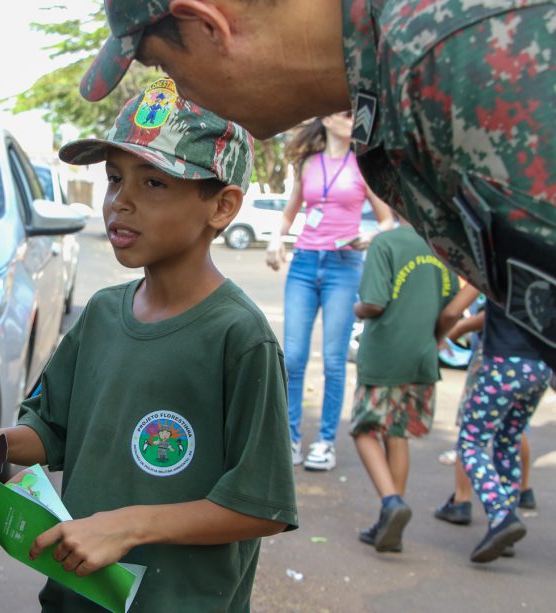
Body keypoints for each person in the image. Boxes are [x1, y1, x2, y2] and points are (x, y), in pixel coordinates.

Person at [0, 78, 298, 611]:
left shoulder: (239, 338)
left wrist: (127, 527)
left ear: (221, 207)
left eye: (153, 183)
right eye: (113, 179)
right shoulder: (103, 313)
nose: (119, 203)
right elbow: (54, 430)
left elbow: (261, 505)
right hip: (76, 596)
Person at [78, 0, 556, 367]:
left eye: (168, 70)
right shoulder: (395, 76)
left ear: (209, 26)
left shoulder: (452, 55)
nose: (178, 93)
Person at [267, 114, 393, 470]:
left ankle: (325, 442)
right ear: (326, 119)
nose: (352, 120)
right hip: (305, 263)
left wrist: (371, 236)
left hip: (344, 263)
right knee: (292, 357)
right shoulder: (309, 163)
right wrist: (277, 238)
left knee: (335, 361)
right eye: (345, 115)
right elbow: (290, 214)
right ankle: (289, 439)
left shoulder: (362, 164)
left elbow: (386, 220)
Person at [348, 219, 454, 552]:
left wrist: (356, 308)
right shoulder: (441, 246)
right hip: (422, 355)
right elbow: (449, 308)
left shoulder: (386, 243)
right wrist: (434, 339)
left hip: (385, 356)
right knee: (398, 432)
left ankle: (391, 502)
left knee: (364, 430)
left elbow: (374, 302)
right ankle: (389, 522)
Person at [434, 287, 550, 563]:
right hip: (541, 366)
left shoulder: (499, 260)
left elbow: (453, 310)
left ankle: (501, 515)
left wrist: (438, 337)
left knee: (471, 442)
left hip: (503, 363)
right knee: (508, 440)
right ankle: (504, 530)